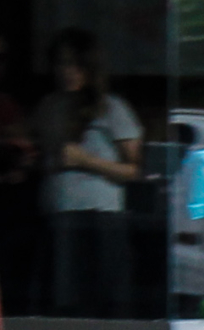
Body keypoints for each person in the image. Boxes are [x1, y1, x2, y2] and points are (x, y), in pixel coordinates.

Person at [33, 28, 141, 314]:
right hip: (58, 214)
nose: (67, 72)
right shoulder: (49, 107)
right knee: (62, 299)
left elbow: (133, 170)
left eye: (75, 65)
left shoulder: (111, 108)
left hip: (99, 217)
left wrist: (86, 160)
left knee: (100, 297)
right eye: (61, 64)